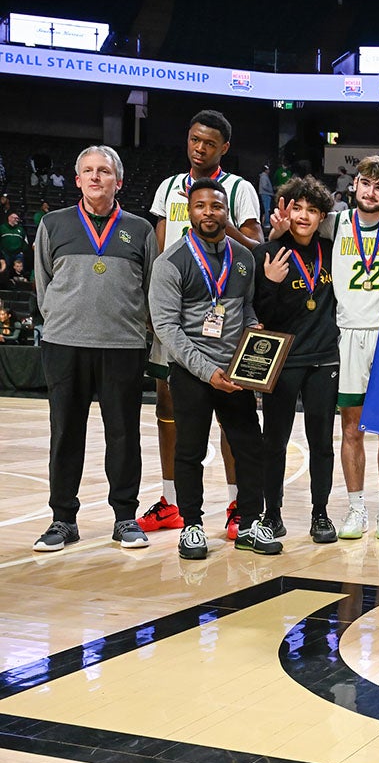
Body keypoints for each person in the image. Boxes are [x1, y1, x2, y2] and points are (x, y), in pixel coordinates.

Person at [142, 110, 264, 539]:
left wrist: (253, 357)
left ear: (224, 148)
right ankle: (178, 509)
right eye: (194, 140)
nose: (199, 148)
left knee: (245, 438)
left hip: (229, 341)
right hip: (182, 322)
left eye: (209, 143)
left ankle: (240, 509)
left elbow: (255, 249)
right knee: (174, 417)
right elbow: (161, 249)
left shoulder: (241, 191)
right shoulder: (167, 191)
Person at [30, 146, 157, 553]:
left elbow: (150, 288)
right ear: (77, 178)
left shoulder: (140, 230)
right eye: (88, 171)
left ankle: (124, 518)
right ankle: (63, 519)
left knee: (124, 434)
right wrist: (61, 320)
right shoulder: (53, 224)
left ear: (118, 181)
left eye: (104, 171)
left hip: (122, 345)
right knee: (65, 433)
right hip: (64, 344)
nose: (96, 177)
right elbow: (42, 283)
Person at [297, 156, 379, 543]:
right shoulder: (334, 222)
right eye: (365, 184)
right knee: (351, 427)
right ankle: (357, 509)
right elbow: (297, 230)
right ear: (354, 185)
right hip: (347, 333)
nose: (371, 192)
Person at [148, 178, 279, 560]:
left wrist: (253, 330)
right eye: (201, 206)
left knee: (249, 448)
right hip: (193, 373)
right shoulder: (170, 262)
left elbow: (246, 308)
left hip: (235, 374)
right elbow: (167, 328)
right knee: (190, 451)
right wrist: (208, 372)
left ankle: (251, 522)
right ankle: (191, 526)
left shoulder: (242, 257)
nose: (209, 213)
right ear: (189, 212)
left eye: (216, 206)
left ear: (226, 211)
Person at [253, 176, 339, 544]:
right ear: (286, 211)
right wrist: (270, 280)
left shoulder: (333, 249)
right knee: (274, 441)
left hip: (324, 359)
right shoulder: (269, 252)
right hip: (283, 360)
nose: (304, 216)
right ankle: (272, 514)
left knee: (321, 442)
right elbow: (260, 312)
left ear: (322, 216)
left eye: (312, 209)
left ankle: (320, 514)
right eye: (297, 207)